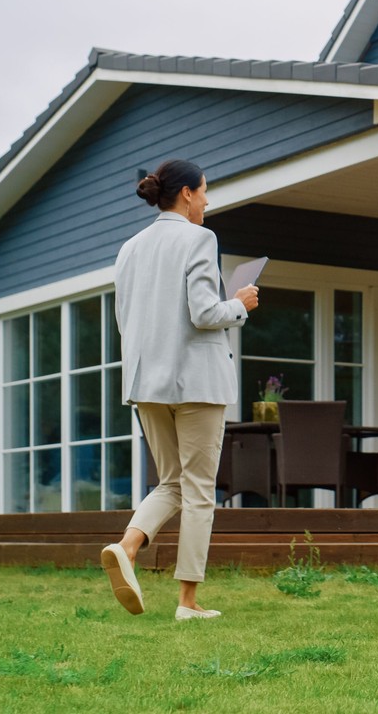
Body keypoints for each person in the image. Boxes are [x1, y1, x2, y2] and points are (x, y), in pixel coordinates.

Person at [99, 159, 260, 621]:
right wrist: (241, 303)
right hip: (196, 382)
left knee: (171, 482)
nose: (208, 201)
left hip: (146, 382)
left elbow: (125, 318)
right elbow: (205, 312)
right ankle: (188, 603)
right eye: (205, 191)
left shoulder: (129, 248)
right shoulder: (199, 238)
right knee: (198, 490)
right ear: (187, 193)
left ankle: (127, 547)